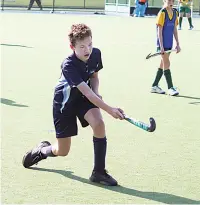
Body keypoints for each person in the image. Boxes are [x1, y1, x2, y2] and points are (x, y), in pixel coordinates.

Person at [22, 23, 125, 186]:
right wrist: (110, 109)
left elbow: (94, 77)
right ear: (72, 46)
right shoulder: (68, 65)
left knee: (99, 124)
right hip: (65, 104)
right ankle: (42, 151)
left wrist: (97, 90)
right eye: (82, 46)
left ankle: (98, 172)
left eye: (90, 44)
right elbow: (88, 93)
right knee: (62, 151)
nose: (87, 50)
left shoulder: (95, 54)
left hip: (84, 98)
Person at [151, 0, 181, 96]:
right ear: (165, 0)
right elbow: (159, 31)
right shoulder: (162, 13)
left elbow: (174, 29)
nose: (171, 2)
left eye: (173, 0)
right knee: (167, 63)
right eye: (169, 0)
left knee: (163, 63)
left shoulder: (175, 12)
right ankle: (170, 87)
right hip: (162, 45)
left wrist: (177, 43)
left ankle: (154, 86)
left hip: (169, 44)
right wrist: (161, 46)